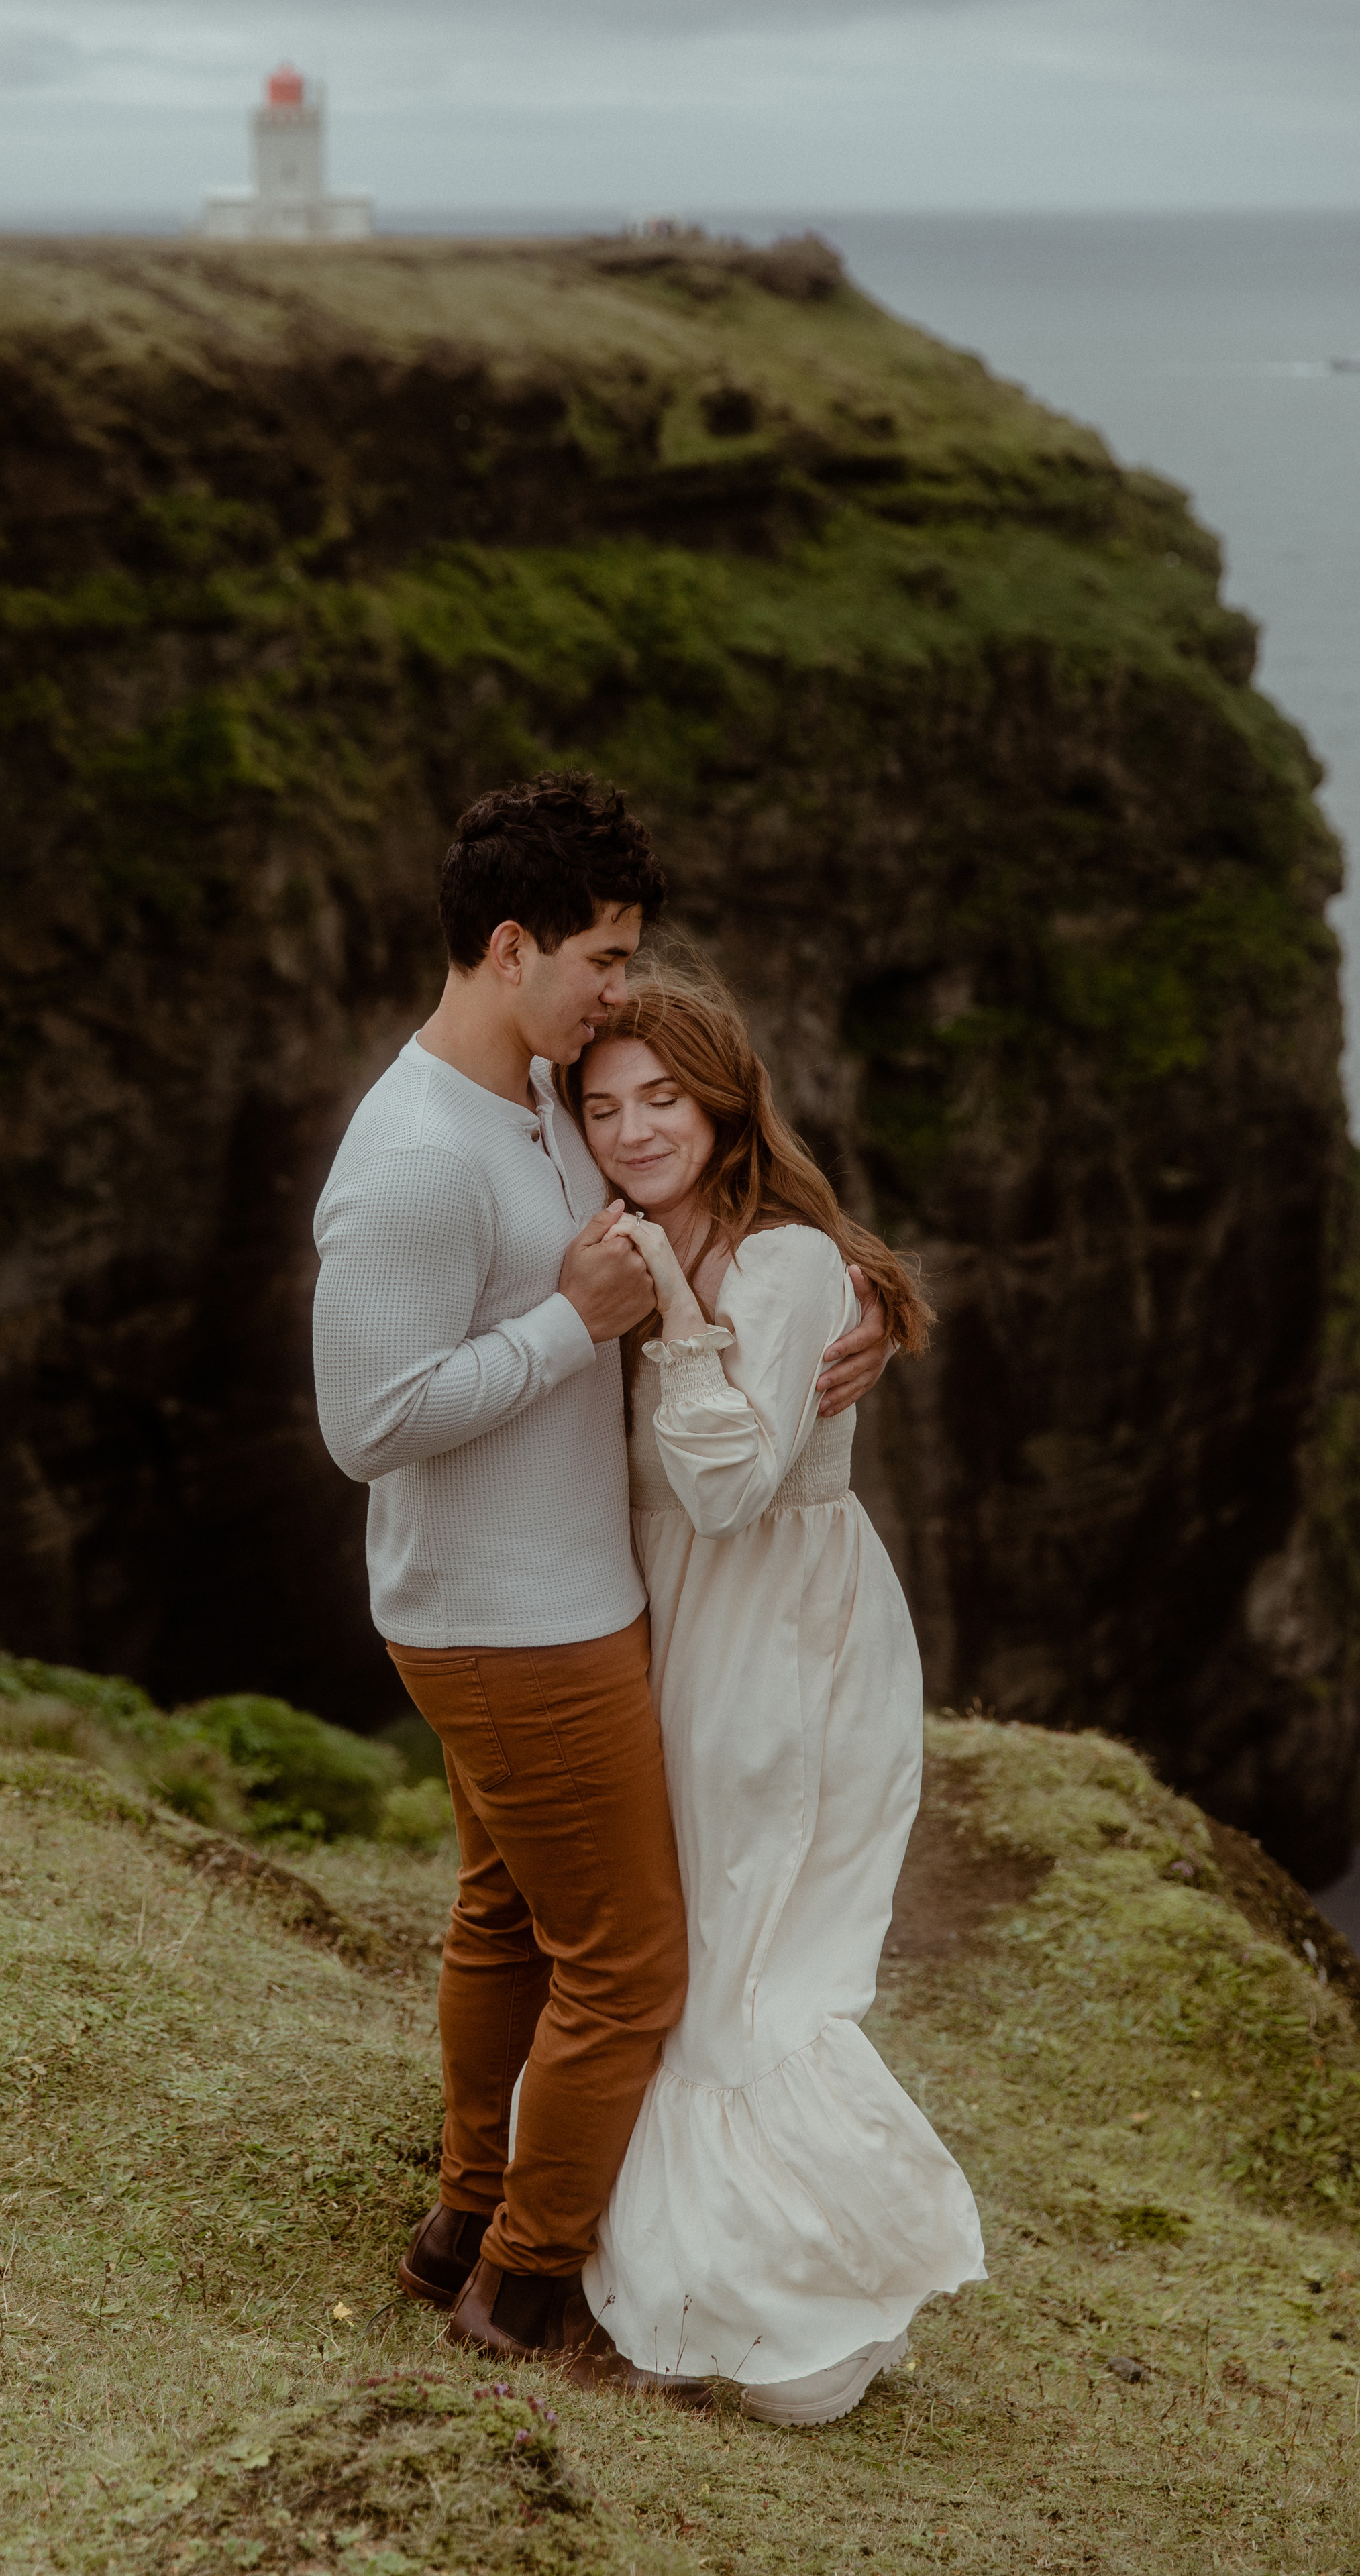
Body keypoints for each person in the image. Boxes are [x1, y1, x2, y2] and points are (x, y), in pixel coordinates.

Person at [311, 773, 893, 2385]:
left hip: (567, 1591)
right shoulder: (411, 1156)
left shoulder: (536, 1100)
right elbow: (365, 1425)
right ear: (512, 949)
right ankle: (525, 2289)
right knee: (628, 1966)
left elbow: (697, 1202)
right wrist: (568, 1326)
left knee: (508, 1918)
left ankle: (462, 2225)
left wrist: (842, 1310)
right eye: (604, 958)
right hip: (510, 1623)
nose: (619, 991)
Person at [558, 956, 986, 2426]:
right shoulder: (618, 1235)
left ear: (723, 1103)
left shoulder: (786, 1262)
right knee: (687, 1938)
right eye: (601, 1106)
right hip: (672, 1615)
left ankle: (771, 2279)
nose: (632, 1129)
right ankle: (702, 2259)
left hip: (774, 1630)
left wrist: (675, 1301)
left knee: (737, 1957)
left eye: (662, 1099)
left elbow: (729, 1489)